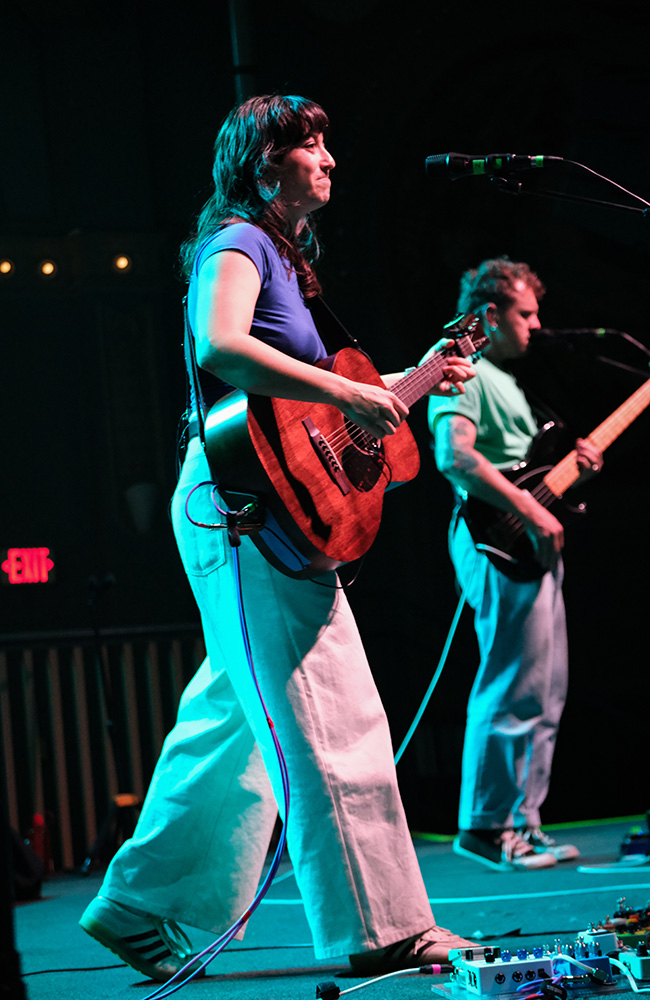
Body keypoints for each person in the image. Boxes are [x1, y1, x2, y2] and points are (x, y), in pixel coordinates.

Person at [79, 94, 477, 981]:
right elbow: (220, 345)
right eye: (311, 143)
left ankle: (142, 907)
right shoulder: (240, 242)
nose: (330, 157)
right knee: (330, 714)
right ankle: (383, 928)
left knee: (234, 713)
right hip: (240, 506)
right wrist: (346, 395)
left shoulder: (289, 266)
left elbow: (313, 409)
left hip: (258, 507)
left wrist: (410, 383)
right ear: (264, 164)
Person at [425, 257, 603, 872]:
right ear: (490, 315)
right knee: (511, 681)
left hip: (529, 542)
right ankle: (484, 824)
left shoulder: (507, 381)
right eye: (526, 314)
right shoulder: (463, 368)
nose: (535, 325)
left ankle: (521, 823)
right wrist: (529, 509)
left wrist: (573, 466)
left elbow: (526, 466)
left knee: (545, 686)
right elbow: (455, 457)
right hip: (495, 538)